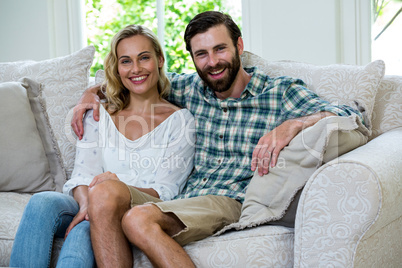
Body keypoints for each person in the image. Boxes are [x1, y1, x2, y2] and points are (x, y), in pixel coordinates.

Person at [71, 11, 365, 267]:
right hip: (183, 199)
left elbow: (352, 114)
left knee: (137, 220)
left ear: (239, 46)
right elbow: (137, 77)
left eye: (220, 49)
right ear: (193, 59)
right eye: (201, 54)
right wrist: (91, 92)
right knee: (105, 191)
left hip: (228, 199)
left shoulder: (279, 92)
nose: (212, 62)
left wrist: (294, 124)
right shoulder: (190, 88)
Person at [9, 24, 195, 268]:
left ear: (159, 60)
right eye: (126, 61)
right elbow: (82, 175)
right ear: (117, 68)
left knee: (84, 228)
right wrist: (88, 206)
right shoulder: (99, 113)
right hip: (87, 201)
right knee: (42, 201)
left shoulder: (180, 121)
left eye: (144, 58)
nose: (136, 69)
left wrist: (110, 193)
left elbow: (166, 190)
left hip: (131, 207)